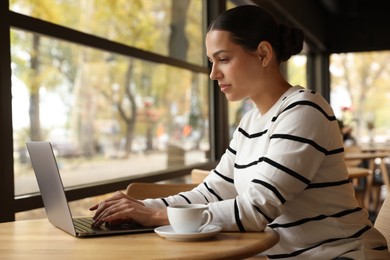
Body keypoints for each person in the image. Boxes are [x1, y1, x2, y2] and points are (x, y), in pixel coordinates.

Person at [90, 5, 389, 259]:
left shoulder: (304, 111)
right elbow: (212, 191)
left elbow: (257, 208)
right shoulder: (249, 124)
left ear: (262, 54)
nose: (213, 73)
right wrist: (138, 208)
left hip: (341, 254)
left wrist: (154, 216)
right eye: (211, 62)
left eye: (223, 59)